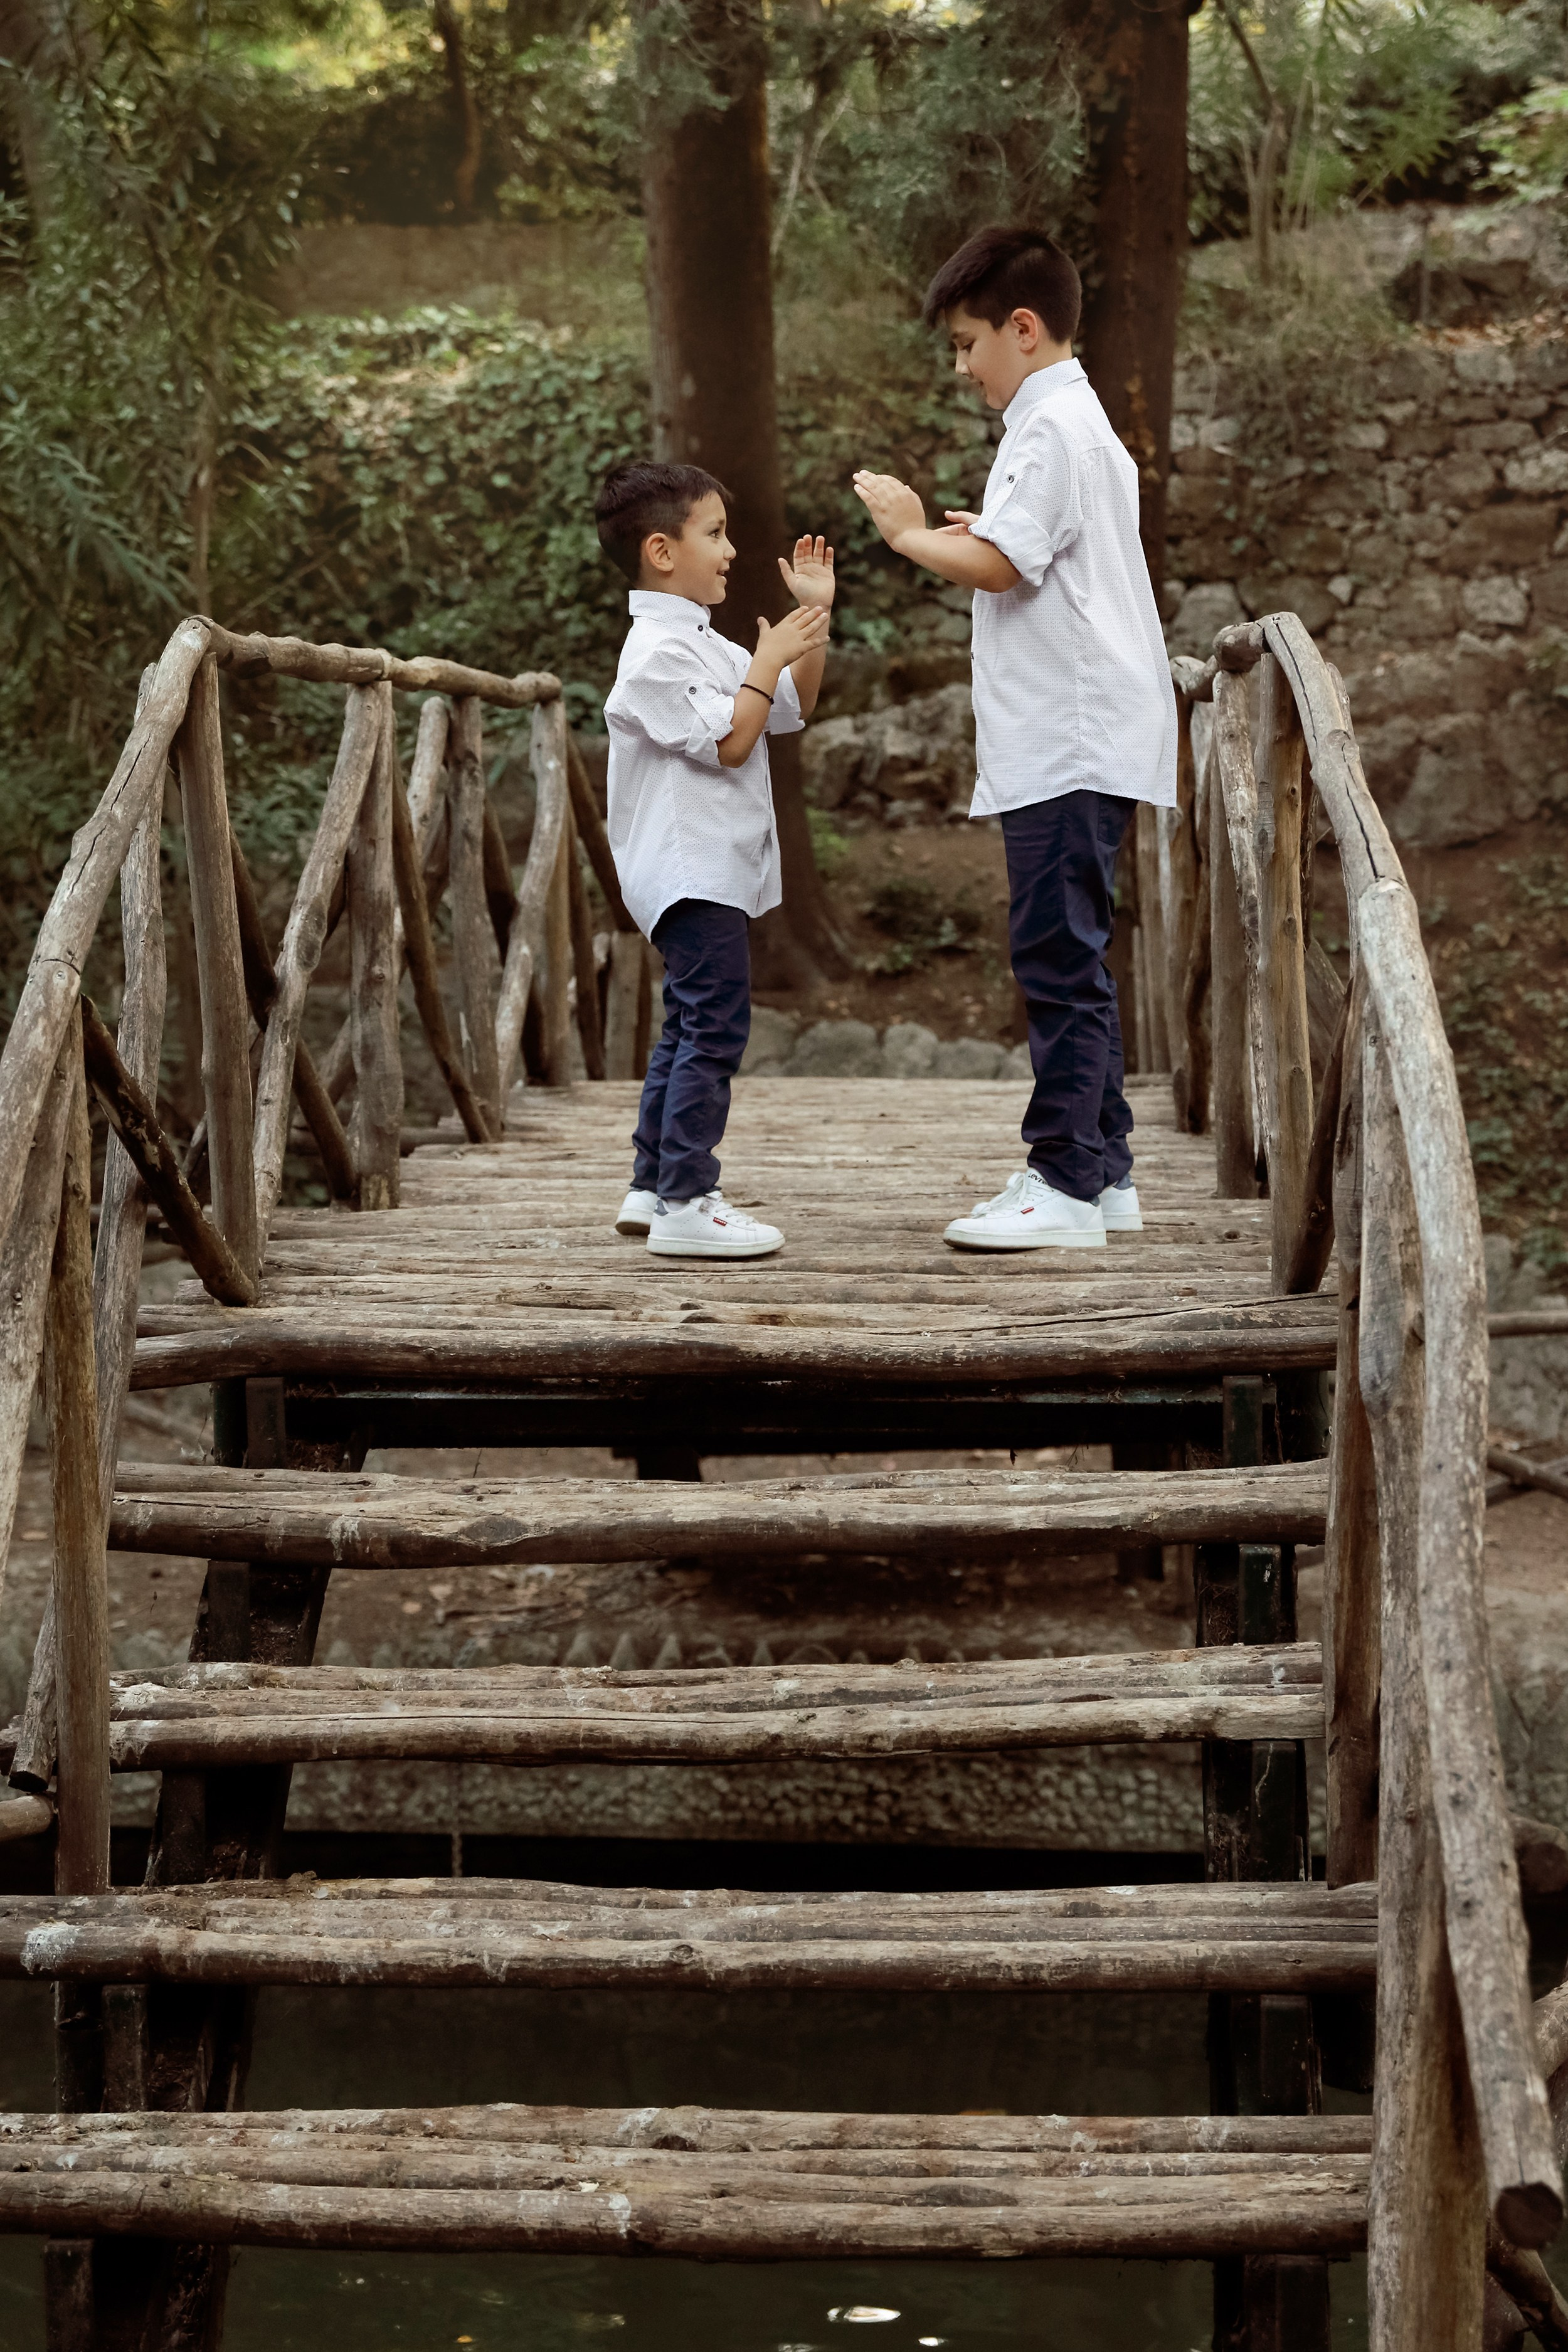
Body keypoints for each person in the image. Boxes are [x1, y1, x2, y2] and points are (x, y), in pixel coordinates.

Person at [853, 225, 1177, 1252]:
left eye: (967, 342)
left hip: (1067, 737)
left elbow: (1004, 567)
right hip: (1084, 733)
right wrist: (980, 530)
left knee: (1055, 957)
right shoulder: (1079, 423)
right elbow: (1025, 551)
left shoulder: (1046, 430)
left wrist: (908, 533)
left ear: (1023, 329)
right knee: (1075, 951)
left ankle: (1065, 1185)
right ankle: (1106, 1171)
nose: (962, 366)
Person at [594, 458, 834, 1259]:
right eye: (715, 533)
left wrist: (813, 623)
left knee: (687, 1024)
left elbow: (789, 707)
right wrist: (765, 665)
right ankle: (688, 1200)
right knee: (715, 1025)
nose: (730, 550)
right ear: (662, 551)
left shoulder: (701, 642)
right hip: (687, 868)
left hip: (711, 867)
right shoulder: (653, 656)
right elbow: (733, 741)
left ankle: (652, 1183)